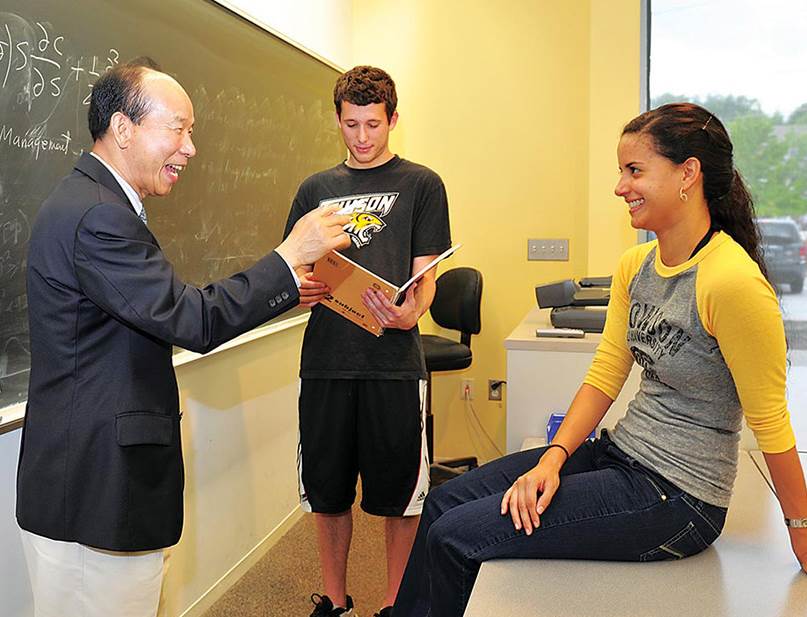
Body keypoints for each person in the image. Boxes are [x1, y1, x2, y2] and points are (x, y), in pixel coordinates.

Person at [391, 103, 807, 617]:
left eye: (634, 171)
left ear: (688, 174)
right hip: (621, 457)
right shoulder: (637, 266)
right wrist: (553, 457)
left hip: (680, 499)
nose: (620, 187)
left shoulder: (731, 282)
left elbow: (771, 423)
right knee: (440, 506)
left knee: (456, 537)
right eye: (621, 171)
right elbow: (606, 373)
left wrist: (801, 533)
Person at [16, 58, 350, 617]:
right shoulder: (97, 215)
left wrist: (288, 287)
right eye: (179, 128)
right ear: (123, 129)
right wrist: (288, 259)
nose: (190, 148)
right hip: (93, 492)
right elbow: (189, 318)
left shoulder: (100, 203)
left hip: (98, 483)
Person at [282, 65, 452, 617]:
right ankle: (334, 601)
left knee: (400, 499)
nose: (361, 137)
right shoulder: (316, 189)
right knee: (328, 496)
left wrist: (411, 311)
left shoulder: (422, 184)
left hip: (395, 365)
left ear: (393, 119)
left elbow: (426, 275)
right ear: (338, 119)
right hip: (327, 362)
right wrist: (302, 289)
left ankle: (395, 604)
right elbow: (293, 268)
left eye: (373, 125)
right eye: (351, 124)